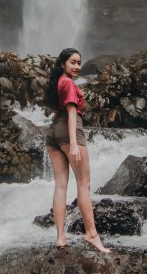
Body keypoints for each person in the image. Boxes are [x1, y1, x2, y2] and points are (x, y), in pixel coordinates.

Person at [43, 48, 111, 254]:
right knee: (84, 183)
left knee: (61, 185)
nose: (78, 67)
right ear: (63, 63)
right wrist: (73, 143)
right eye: (73, 62)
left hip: (53, 132)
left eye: (79, 62)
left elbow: (57, 110)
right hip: (69, 130)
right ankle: (91, 234)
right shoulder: (69, 83)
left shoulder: (57, 82)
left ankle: (61, 237)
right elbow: (72, 112)